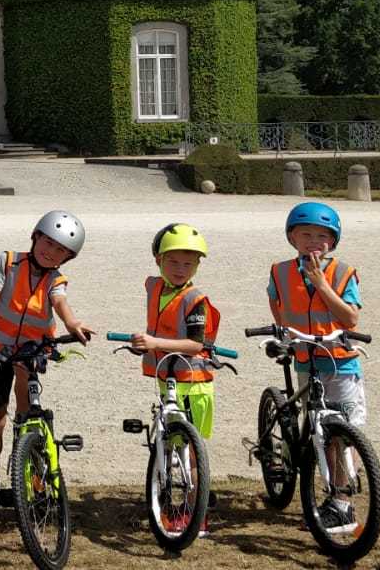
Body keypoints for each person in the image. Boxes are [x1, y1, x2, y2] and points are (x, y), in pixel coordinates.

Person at [0, 210, 93, 529]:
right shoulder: (8, 262)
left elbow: (60, 303)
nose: (51, 252)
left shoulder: (55, 280)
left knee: (27, 417)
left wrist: (72, 323)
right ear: (35, 237)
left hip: (31, 351)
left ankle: (33, 484)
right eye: (47, 242)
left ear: (67, 258)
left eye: (60, 250)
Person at [269, 201, 366, 534]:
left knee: (342, 434)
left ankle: (341, 503)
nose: (314, 242)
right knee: (317, 430)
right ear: (292, 238)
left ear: (333, 240)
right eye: (306, 234)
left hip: (340, 362)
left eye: (322, 236)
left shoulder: (342, 272)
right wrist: (283, 332)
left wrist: (321, 284)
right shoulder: (280, 271)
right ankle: (330, 492)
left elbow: (350, 318)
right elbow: (276, 300)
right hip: (305, 359)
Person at [128, 223, 221, 535]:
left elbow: (196, 344)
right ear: (159, 261)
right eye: (173, 262)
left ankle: (197, 512)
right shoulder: (156, 287)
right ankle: (170, 501)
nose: (181, 269)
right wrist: (144, 342)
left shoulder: (195, 300)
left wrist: (154, 342)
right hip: (167, 376)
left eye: (188, 264)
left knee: (191, 452)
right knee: (170, 445)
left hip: (193, 381)